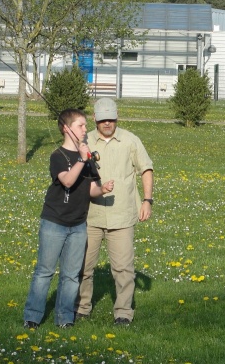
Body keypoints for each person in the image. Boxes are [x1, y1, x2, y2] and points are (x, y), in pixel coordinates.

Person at [23, 108, 114, 329]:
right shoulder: (58, 156)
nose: (85, 130)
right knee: (44, 271)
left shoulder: (87, 156)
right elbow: (67, 181)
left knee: (71, 275)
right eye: (80, 126)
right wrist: (82, 160)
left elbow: (91, 188)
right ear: (66, 129)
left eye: (85, 125)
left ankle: (65, 318)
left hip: (78, 224)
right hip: (54, 222)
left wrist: (102, 190)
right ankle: (32, 317)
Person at [76, 97, 154, 326]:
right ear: (94, 119)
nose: (107, 124)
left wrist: (147, 200)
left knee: (123, 269)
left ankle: (123, 312)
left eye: (111, 119)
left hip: (122, 216)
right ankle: (82, 307)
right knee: (83, 266)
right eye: (102, 120)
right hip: (90, 216)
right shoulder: (85, 141)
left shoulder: (131, 140)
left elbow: (146, 169)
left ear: (117, 117)